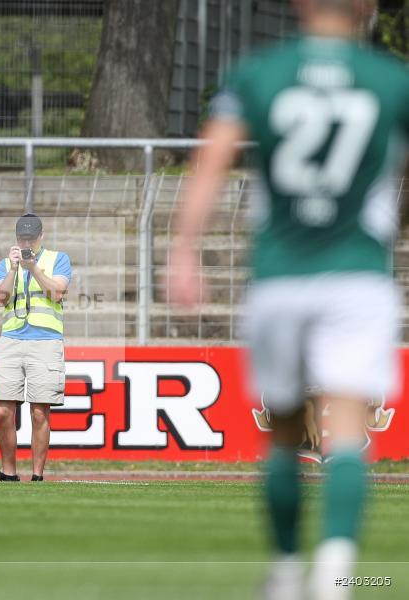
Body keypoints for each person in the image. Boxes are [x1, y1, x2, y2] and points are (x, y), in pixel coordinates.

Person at [168, 1, 408, 598]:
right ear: (365, 8)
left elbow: (211, 163)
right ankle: (336, 569)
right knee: (349, 428)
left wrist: (183, 249)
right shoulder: (392, 81)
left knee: (281, 430)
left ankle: (282, 570)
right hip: (358, 272)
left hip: (280, 273)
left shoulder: (259, 72)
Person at [0, 214, 71, 482]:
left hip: (46, 341)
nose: (28, 244)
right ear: (16, 239)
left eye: (31, 239)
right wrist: (14, 269)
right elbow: (0, 299)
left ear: (41, 237)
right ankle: (8, 472)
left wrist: (34, 267)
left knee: (39, 411)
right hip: (11, 339)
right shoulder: (5, 264)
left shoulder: (57, 259)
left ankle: (37, 475)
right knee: (2, 409)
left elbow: (57, 292)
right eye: (23, 239)